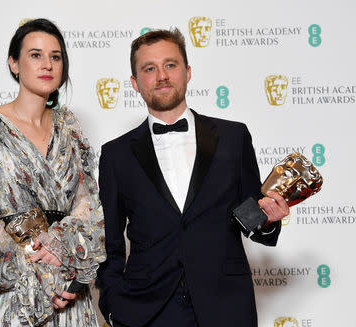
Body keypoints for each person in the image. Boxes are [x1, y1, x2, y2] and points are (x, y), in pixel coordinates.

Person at [96, 28, 289, 327]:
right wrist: (113, 306)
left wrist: (267, 220)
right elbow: (109, 243)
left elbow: (251, 217)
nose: (161, 75)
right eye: (150, 68)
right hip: (147, 312)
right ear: (134, 83)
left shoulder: (233, 137)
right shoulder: (115, 154)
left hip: (226, 307)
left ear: (187, 72)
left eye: (170, 65)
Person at [0, 19, 106, 327]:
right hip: (13, 296)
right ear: (14, 63)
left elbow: (90, 212)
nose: (47, 64)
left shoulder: (70, 129)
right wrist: (44, 281)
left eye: (56, 56)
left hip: (68, 293)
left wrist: (63, 252)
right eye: (35, 55)